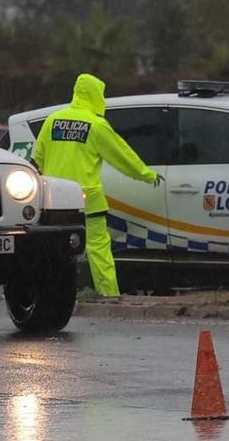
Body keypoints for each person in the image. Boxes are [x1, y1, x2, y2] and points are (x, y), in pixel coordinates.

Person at [28, 73, 159, 299]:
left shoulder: (52, 120)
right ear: (95, 95)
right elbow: (122, 155)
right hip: (87, 200)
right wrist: (147, 174)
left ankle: (51, 296)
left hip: (53, 201)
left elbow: (36, 161)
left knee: (53, 251)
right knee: (99, 250)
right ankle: (109, 296)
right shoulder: (96, 125)